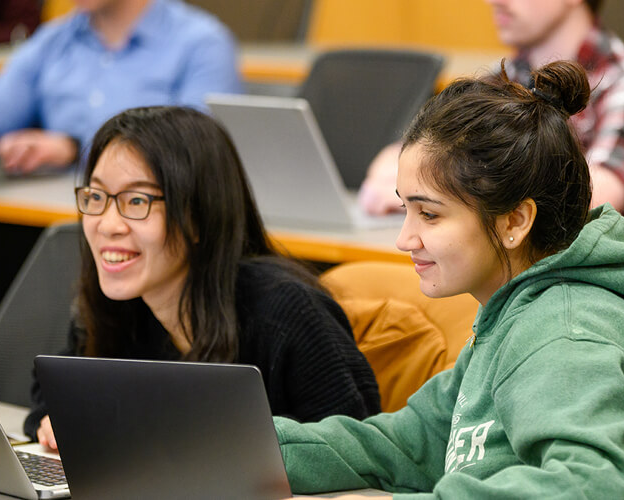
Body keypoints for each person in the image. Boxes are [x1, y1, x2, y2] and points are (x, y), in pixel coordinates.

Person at [274, 61, 624, 498]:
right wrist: (265, 450)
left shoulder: (567, 335)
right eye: (406, 209)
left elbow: (591, 486)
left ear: (514, 220)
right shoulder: (509, 317)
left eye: (430, 214)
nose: (404, 238)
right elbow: (411, 443)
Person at [26, 106, 381, 450]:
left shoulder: (287, 312)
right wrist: (56, 418)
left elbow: (358, 452)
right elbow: (54, 387)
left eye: (136, 201)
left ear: (199, 215)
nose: (107, 224)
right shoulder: (116, 305)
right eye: (97, 196)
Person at [359, 0, 624, 219]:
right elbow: (396, 161)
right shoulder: (500, 80)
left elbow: (590, 197)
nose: (493, 2)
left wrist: (435, 193)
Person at [0, 0, 243, 175]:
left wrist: (75, 148)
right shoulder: (53, 39)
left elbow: (198, 156)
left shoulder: (202, 43)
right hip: (51, 214)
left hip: (151, 228)